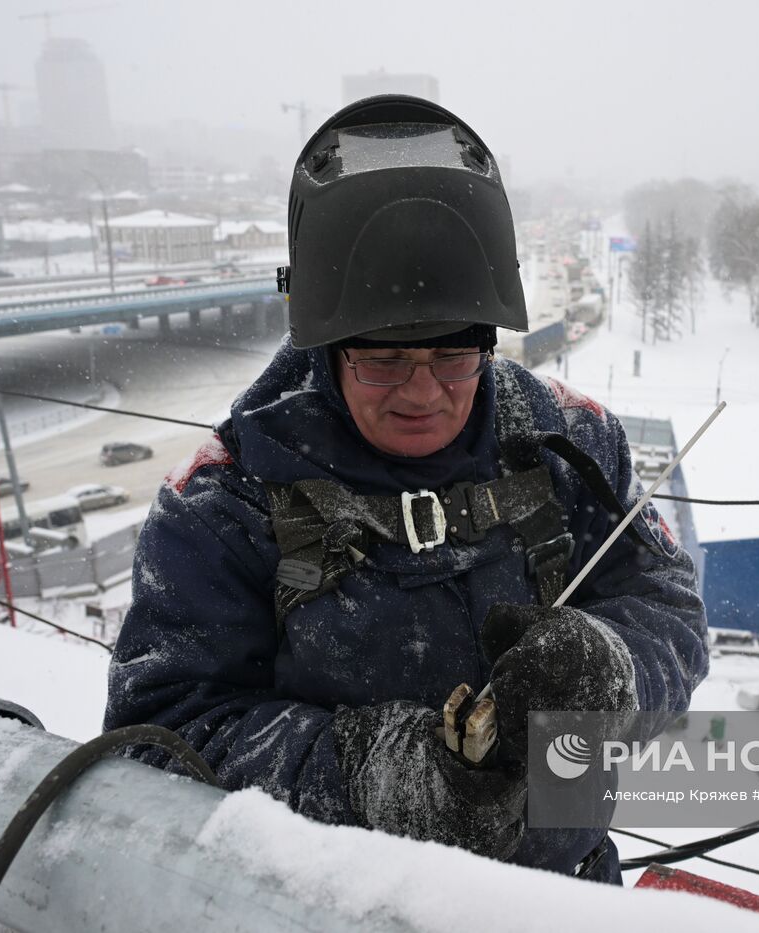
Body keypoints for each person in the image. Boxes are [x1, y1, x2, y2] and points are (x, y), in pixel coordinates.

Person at [104, 95, 708, 883]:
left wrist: (610, 666)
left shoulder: (567, 443)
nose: (422, 392)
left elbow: (673, 609)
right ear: (324, 342)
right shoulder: (229, 504)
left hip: (562, 893)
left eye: (455, 355)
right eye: (383, 360)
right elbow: (158, 737)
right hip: (333, 902)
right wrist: (372, 777)